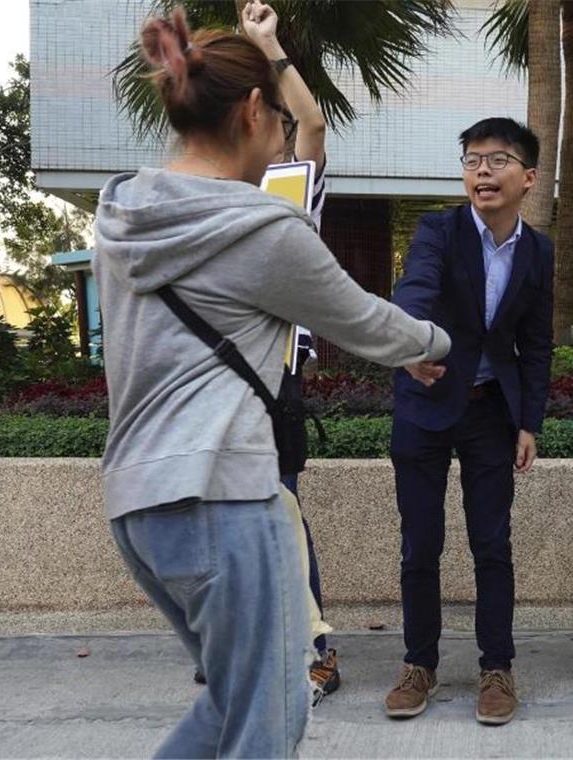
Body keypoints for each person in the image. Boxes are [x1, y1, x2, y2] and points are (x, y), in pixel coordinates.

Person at [93, 6, 450, 756]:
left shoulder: (123, 213)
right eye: (281, 126)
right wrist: (438, 340)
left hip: (138, 504)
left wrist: (267, 46)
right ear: (254, 112)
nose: (287, 141)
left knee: (235, 704)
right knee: (268, 716)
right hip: (221, 498)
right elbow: (365, 322)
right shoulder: (260, 229)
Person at [187, 0, 342, 704]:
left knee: (281, 517)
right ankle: (232, 646)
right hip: (200, 393)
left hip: (269, 386)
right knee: (216, 524)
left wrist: (268, 43)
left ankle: (313, 651)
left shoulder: (286, 191)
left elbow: (312, 122)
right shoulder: (190, 199)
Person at [384, 118, 554, 726]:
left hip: (490, 412)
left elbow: (536, 344)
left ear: (528, 177)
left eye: (499, 159)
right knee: (420, 544)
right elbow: (416, 289)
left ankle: (497, 668)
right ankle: (419, 663)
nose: (482, 170)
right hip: (424, 402)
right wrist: (410, 342)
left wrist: (529, 421)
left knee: (491, 545)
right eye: (472, 159)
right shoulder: (438, 231)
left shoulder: (538, 251)